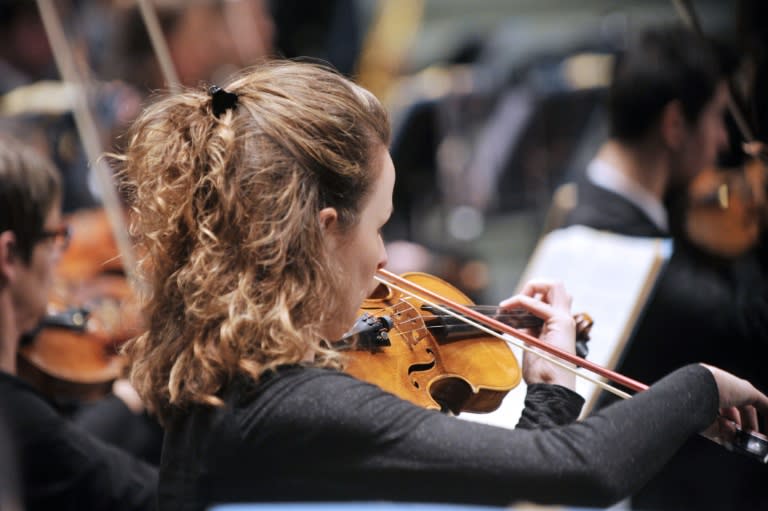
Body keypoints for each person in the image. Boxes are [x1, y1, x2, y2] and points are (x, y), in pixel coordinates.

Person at [116, 60, 768, 511]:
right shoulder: (300, 405)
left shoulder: (230, 377)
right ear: (325, 230)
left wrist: (546, 387)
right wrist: (700, 387)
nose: (384, 263)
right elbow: (584, 470)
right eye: (380, 224)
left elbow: (507, 480)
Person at [561, 26, 768, 510]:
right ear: (675, 125)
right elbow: (754, 323)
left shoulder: (599, 202)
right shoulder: (623, 252)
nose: (722, 142)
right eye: (718, 117)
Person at [0, 135, 157, 510]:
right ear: (8, 256)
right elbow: (158, 496)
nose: (61, 261)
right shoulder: (17, 417)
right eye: (54, 238)